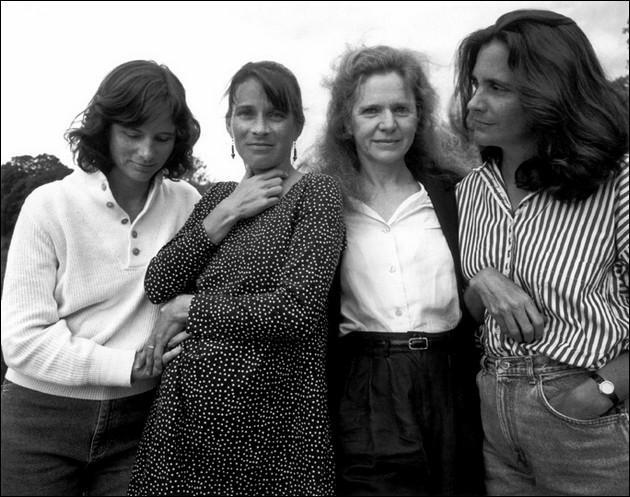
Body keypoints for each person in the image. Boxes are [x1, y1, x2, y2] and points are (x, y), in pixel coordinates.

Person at [127, 60, 345, 496]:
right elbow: (159, 283)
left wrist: (193, 308)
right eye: (246, 114)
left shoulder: (316, 194)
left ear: (298, 125)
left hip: (273, 427)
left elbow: (296, 311)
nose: (259, 128)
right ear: (229, 123)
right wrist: (226, 214)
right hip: (184, 423)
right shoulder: (218, 197)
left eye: (275, 115)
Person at [0, 60, 202, 496]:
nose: (147, 152)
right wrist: (127, 365)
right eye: (132, 134)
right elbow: (22, 340)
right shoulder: (48, 205)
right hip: (40, 419)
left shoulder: (188, 203)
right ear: (104, 128)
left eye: (162, 138)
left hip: (144, 421)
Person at [451, 9, 629, 496]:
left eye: (497, 88)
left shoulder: (615, 181)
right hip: (494, 409)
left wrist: (604, 391)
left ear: (549, 94)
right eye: (474, 84)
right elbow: (473, 314)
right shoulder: (470, 191)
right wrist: (482, 280)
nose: (474, 103)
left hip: (581, 411)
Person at [316, 45, 484, 496]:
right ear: (346, 123)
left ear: (419, 116)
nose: (388, 123)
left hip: (453, 380)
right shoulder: (325, 204)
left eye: (401, 109)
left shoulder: (456, 194)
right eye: (371, 110)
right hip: (366, 385)